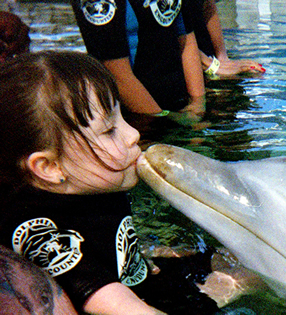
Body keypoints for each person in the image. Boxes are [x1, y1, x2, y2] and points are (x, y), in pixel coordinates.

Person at [0, 50, 221, 314]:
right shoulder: (39, 230)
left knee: (228, 261)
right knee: (236, 281)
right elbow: (103, 295)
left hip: (142, 279)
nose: (134, 134)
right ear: (49, 166)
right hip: (139, 302)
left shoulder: (91, 181)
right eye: (109, 130)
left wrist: (149, 255)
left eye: (122, 117)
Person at [70, 0, 206, 116]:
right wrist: (165, 118)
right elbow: (116, 73)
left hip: (180, 106)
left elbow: (186, 37)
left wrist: (198, 105)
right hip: (135, 118)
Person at [183, 0, 266, 77]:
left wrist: (222, 58)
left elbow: (207, 5)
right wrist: (211, 66)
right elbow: (174, 34)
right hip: (176, 47)